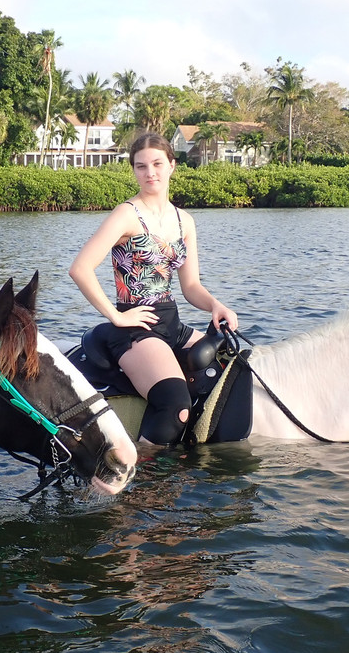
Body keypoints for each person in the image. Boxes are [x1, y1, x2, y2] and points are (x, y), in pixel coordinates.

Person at [69, 132, 238, 445]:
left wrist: (216, 305)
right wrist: (117, 317)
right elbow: (80, 269)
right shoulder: (126, 215)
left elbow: (191, 286)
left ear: (172, 166)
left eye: (158, 164)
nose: (150, 173)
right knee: (176, 407)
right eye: (141, 166)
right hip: (136, 327)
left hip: (172, 323)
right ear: (133, 170)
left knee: (234, 367)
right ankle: (143, 480)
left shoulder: (184, 220)